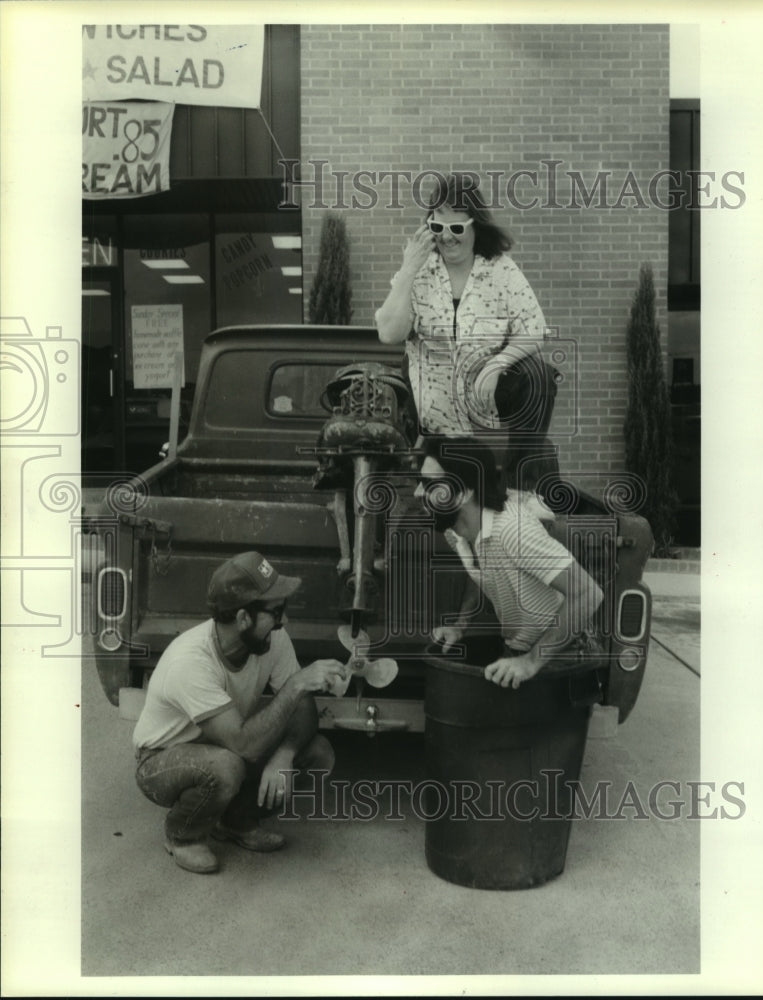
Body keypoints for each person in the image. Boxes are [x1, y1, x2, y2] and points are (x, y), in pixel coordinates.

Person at [132, 551, 348, 874]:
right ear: (244, 618)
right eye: (277, 612)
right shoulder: (190, 662)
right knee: (227, 766)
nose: (284, 621)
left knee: (317, 752)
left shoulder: (273, 637)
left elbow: (303, 709)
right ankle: (182, 835)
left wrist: (285, 754)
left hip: (224, 742)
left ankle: (235, 822)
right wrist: (295, 685)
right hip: (160, 760)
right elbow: (244, 745)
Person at [375, 171, 559, 489]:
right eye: (438, 227)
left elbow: (536, 328)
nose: (447, 237)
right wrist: (407, 269)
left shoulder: (500, 270)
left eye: (457, 227)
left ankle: (521, 489)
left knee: (539, 375)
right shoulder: (420, 273)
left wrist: (497, 363)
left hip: (483, 398)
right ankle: (424, 470)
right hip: (433, 407)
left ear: (476, 225)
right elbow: (389, 333)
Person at [414, 435, 603, 688]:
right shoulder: (456, 530)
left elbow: (589, 592)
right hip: (520, 648)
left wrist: (531, 662)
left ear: (464, 493)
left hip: (564, 653)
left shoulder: (513, 530)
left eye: (428, 484)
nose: (417, 492)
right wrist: (460, 626)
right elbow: (480, 571)